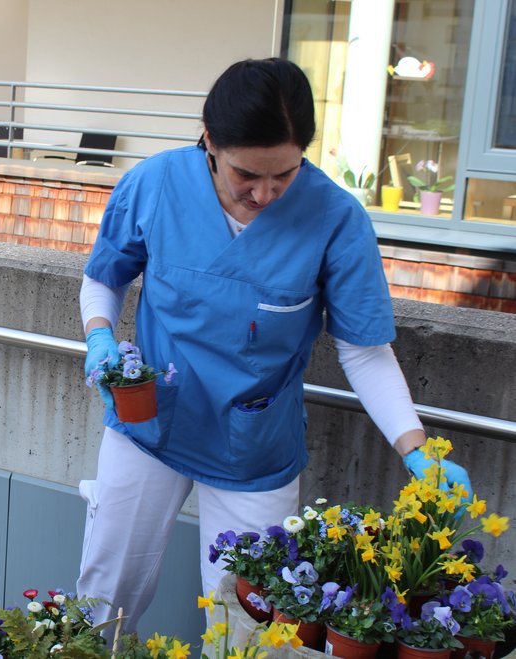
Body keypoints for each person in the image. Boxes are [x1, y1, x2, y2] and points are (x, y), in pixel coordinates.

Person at [76, 58, 472, 634]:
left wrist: (418, 452)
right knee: (104, 593)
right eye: (246, 175)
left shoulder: (336, 219)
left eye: (283, 175)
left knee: (247, 619)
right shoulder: (155, 183)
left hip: (252, 445)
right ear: (210, 141)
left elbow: (363, 350)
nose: (264, 194)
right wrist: (100, 336)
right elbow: (105, 276)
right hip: (148, 421)